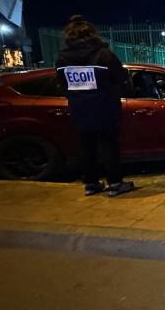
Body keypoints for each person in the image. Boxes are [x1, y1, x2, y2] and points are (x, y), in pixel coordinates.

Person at [55, 15, 135, 197]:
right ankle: (115, 184)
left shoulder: (62, 59)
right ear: (92, 34)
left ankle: (91, 184)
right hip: (105, 108)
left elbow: (61, 84)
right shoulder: (103, 55)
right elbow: (121, 77)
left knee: (86, 148)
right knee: (109, 147)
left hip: (79, 110)